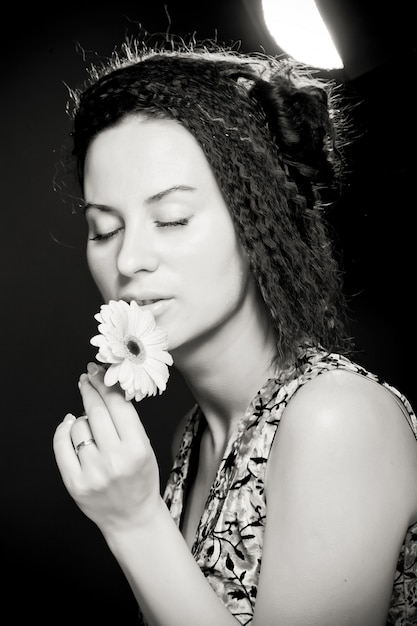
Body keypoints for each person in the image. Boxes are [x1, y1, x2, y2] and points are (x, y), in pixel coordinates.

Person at [53, 36, 417, 626]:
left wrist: (134, 521)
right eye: (103, 228)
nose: (128, 261)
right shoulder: (190, 440)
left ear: (258, 222)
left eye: (171, 219)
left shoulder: (337, 420)